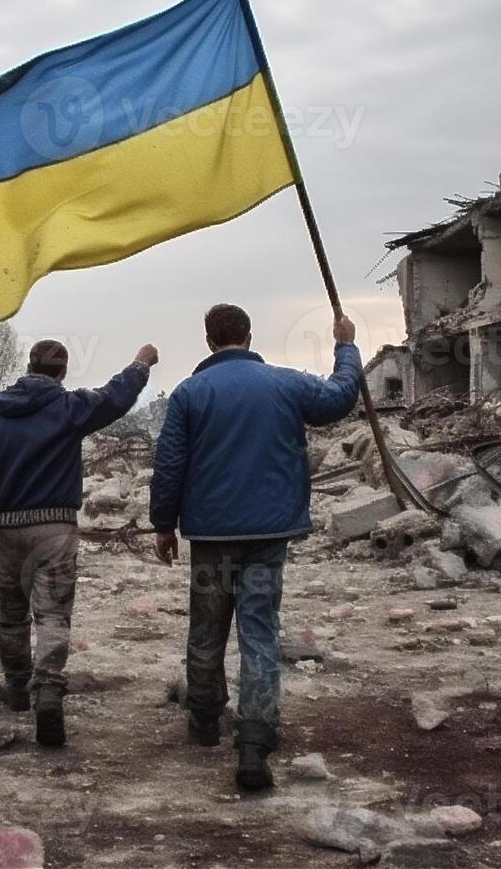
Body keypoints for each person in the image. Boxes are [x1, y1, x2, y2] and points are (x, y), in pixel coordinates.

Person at [150, 304, 359, 791]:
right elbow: (338, 399)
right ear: (249, 335)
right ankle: (254, 742)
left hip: (210, 537)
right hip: (267, 535)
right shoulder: (286, 384)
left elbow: (170, 464)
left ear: (209, 341)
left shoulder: (189, 394)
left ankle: (204, 723)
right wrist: (345, 345)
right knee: (260, 633)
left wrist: (164, 523)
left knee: (206, 629)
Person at [0, 338, 158, 746]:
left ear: (29, 366)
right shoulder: (68, 409)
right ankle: (47, 690)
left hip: (8, 530)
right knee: (52, 616)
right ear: (62, 371)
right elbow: (113, 398)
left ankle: (16, 690)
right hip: (56, 530)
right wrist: (140, 364)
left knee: (12, 614)